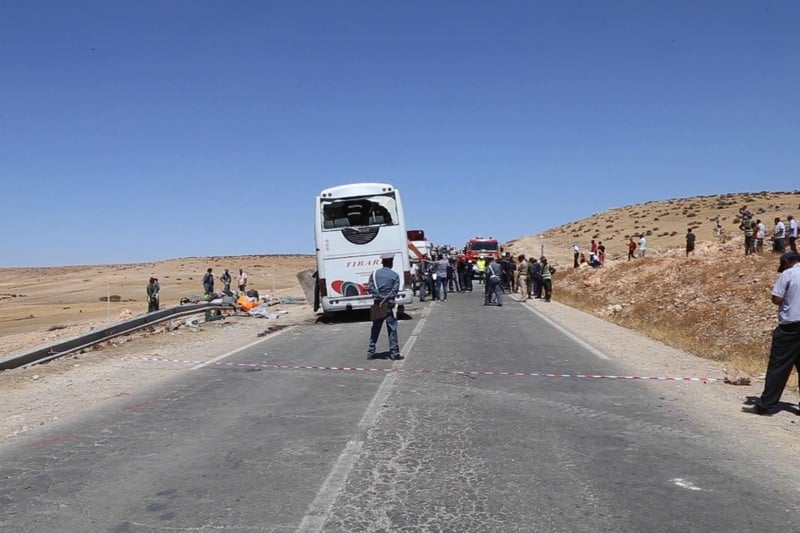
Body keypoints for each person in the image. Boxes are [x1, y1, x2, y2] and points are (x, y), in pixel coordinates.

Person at [744, 252, 800, 415]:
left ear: (787, 262)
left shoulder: (788, 274)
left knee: (779, 366)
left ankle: (766, 405)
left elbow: (777, 298)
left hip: (791, 327)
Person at [367, 252, 402, 360]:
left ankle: (371, 351)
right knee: (392, 329)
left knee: (375, 329)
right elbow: (394, 291)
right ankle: (394, 353)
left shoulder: (374, 274)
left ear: (382, 262)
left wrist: (379, 296)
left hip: (377, 305)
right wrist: (385, 298)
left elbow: (370, 288)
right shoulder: (395, 275)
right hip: (388, 305)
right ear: (391, 262)